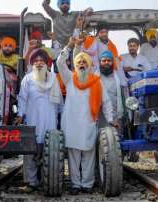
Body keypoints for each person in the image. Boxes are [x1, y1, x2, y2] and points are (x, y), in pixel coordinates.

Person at [57, 37, 117, 195]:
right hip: (71, 124)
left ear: (89, 65)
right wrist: (69, 46)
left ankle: (87, 184)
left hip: (89, 123)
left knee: (88, 155)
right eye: (79, 63)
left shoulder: (96, 81)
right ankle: (76, 184)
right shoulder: (69, 78)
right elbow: (60, 63)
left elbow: (106, 102)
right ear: (75, 66)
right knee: (74, 157)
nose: (82, 65)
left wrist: (110, 120)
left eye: (84, 63)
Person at [15, 48, 62, 192]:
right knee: (31, 152)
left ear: (47, 63)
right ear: (32, 64)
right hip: (33, 120)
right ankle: (31, 182)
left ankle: (48, 181)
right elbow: (22, 98)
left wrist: (62, 117)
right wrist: (20, 114)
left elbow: (60, 101)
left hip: (50, 120)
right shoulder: (27, 79)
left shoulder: (54, 78)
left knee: (50, 151)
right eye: (36, 61)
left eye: (41, 61)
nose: (39, 63)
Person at [98, 51, 123, 128]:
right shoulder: (95, 77)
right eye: (104, 61)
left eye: (109, 61)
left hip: (115, 114)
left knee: (116, 137)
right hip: (100, 115)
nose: (106, 63)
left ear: (112, 62)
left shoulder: (118, 76)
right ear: (100, 62)